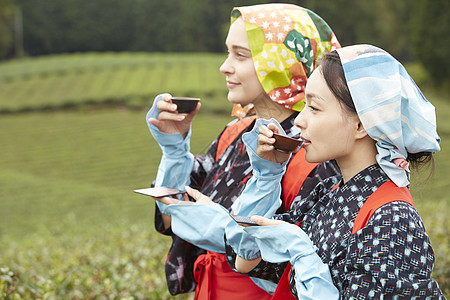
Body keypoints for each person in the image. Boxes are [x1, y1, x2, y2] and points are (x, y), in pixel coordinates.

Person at [146, 3, 341, 299]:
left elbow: (307, 261)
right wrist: (174, 149)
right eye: (228, 52)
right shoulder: (235, 133)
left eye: (240, 55)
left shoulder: (312, 150)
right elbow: (173, 211)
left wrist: (223, 229)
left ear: (280, 61)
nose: (225, 66)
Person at [225, 45, 445, 299]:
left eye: (314, 108)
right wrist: (268, 175)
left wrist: (302, 252)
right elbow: (246, 259)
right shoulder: (328, 192)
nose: (298, 120)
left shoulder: (392, 219)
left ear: (362, 124)